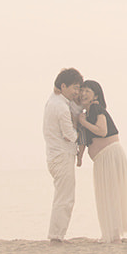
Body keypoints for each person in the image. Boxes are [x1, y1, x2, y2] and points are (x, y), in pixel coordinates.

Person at [78, 80, 127, 243]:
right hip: (104, 157)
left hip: (108, 155)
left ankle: (113, 235)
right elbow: (85, 139)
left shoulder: (96, 109)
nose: (83, 94)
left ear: (95, 96)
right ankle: (111, 233)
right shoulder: (88, 113)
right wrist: (80, 157)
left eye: (87, 91)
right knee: (108, 194)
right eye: (82, 90)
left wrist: (83, 122)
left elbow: (102, 131)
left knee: (110, 194)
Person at [42, 67, 83, 242]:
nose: (77, 92)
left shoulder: (54, 100)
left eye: (78, 88)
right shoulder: (61, 107)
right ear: (64, 86)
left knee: (63, 197)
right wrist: (79, 133)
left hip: (55, 155)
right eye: (75, 88)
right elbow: (70, 135)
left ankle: (56, 235)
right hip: (62, 156)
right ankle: (56, 236)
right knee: (65, 198)